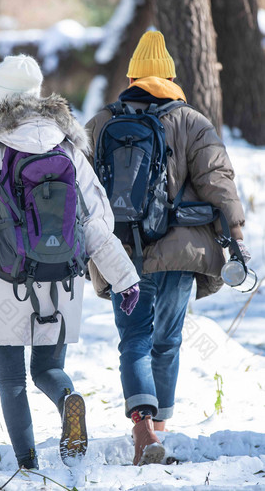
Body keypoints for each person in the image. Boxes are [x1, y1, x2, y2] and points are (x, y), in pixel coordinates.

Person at [0, 54, 140, 470]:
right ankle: (68, 400)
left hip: (4, 282)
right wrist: (125, 279)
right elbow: (97, 224)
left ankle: (28, 464)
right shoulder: (67, 149)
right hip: (63, 281)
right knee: (48, 368)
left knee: (12, 379)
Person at [85, 31, 251, 466]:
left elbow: (78, 185)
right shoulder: (192, 121)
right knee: (168, 342)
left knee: (134, 341)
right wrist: (236, 234)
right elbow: (219, 180)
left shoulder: (103, 121)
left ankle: (142, 429)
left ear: (133, 75)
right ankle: (159, 433)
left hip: (120, 251)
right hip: (179, 251)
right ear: (171, 76)